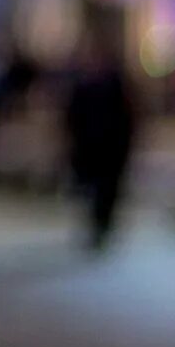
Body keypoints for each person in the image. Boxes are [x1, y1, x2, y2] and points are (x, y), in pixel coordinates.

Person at [63, 26, 137, 253]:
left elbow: (127, 116)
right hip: (89, 149)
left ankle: (104, 226)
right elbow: (71, 116)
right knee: (92, 191)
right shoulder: (81, 85)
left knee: (107, 191)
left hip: (111, 148)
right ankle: (96, 227)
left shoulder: (116, 84)